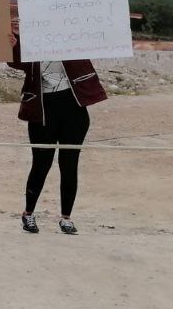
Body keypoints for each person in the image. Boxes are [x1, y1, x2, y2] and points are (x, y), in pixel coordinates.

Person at [9, 22, 107, 235]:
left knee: (69, 164)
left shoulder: (73, 40)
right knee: (41, 163)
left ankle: (66, 218)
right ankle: (28, 214)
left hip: (74, 110)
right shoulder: (31, 44)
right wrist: (15, 41)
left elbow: (100, 21)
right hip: (42, 110)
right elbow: (15, 62)